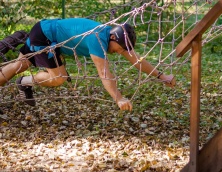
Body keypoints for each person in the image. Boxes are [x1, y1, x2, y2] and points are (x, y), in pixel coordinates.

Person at [0, 18, 175, 111]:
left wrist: (161, 76)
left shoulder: (111, 36)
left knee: (17, 66)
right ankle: (24, 83)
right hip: (45, 36)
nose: (121, 52)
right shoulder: (98, 38)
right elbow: (104, 72)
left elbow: (137, 60)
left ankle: (22, 82)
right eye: (121, 49)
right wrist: (118, 98)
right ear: (114, 38)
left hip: (44, 29)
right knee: (59, 78)